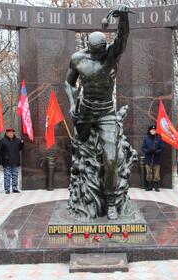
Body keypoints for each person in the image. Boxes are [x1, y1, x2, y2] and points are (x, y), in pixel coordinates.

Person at [64, 4, 131, 219]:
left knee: (111, 157)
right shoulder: (77, 59)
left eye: (104, 48)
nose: (102, 52)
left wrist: (122, 17)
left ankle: (111, 201)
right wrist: (72, 103)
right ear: (90, 48)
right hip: (85, 111)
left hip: (106, 113)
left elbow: (122, 37)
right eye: (98, 50)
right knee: (78, 146)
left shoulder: (112, 55)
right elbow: (69, 84)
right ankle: (81, 190)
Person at [0, 128, 24, 194]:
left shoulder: (18, 140)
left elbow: (21, 149)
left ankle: (15, 188)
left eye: (12, 133)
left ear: (14, 133)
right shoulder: (2, 141)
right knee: (7, 176)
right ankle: (7, 189)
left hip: (15, 161)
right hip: (6, 161)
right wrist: (0, 161)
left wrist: (22, 144)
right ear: (6, 133)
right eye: (9, 133)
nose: (10, 134)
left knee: (15, 175)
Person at [141, 125, 164, 192]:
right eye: (152, 130)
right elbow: (143, 148)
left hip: (156, 158)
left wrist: (157, 152)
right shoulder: (146, 138)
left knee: (156, 172)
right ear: (149, 131)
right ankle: (149, 186)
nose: (153, 131)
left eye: (154, 130)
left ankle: (156, 186)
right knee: (149, 172)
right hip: (148, 158)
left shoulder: (159, 138)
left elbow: (162, 148)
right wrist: (148, 151)